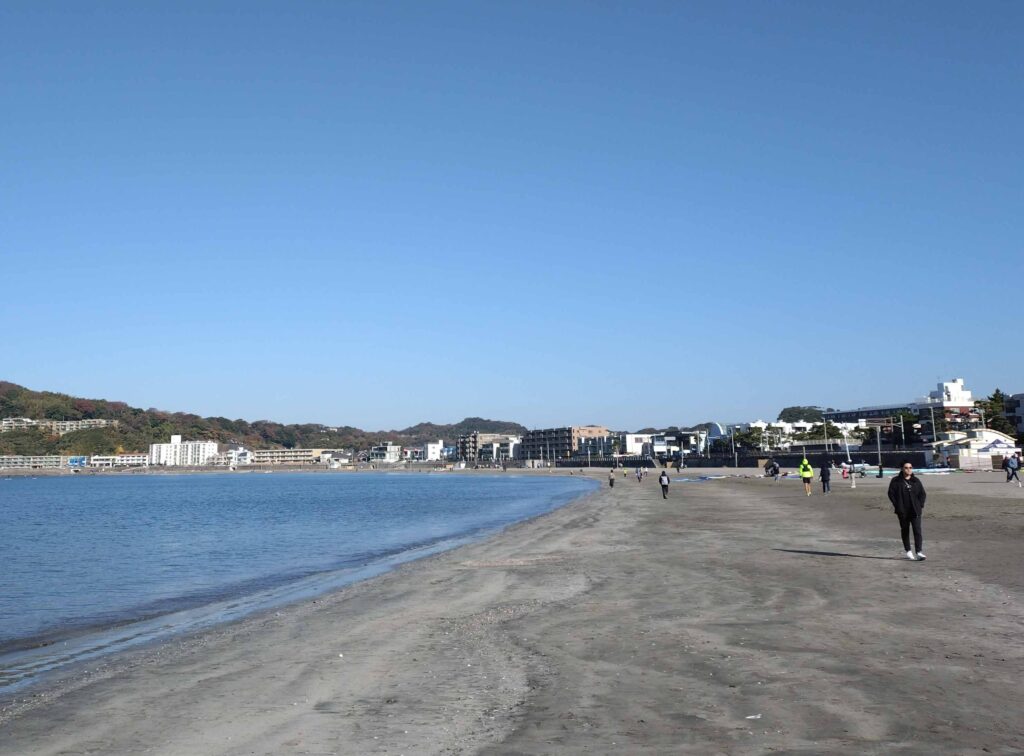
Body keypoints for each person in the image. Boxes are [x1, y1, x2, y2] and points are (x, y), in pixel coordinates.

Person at [887, 460, 927, 561]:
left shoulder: (916, 480)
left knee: (917, 530)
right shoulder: (896, 481)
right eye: (906, 467)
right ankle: (908, 550)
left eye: (910, 467)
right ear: (902, 469)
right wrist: (897, 505)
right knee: (905, 530)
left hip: (915, 510)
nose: (909, 469)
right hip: (903, 510)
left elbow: (922, 494)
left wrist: (920, 505)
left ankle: (919, 552)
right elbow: (891, 494)